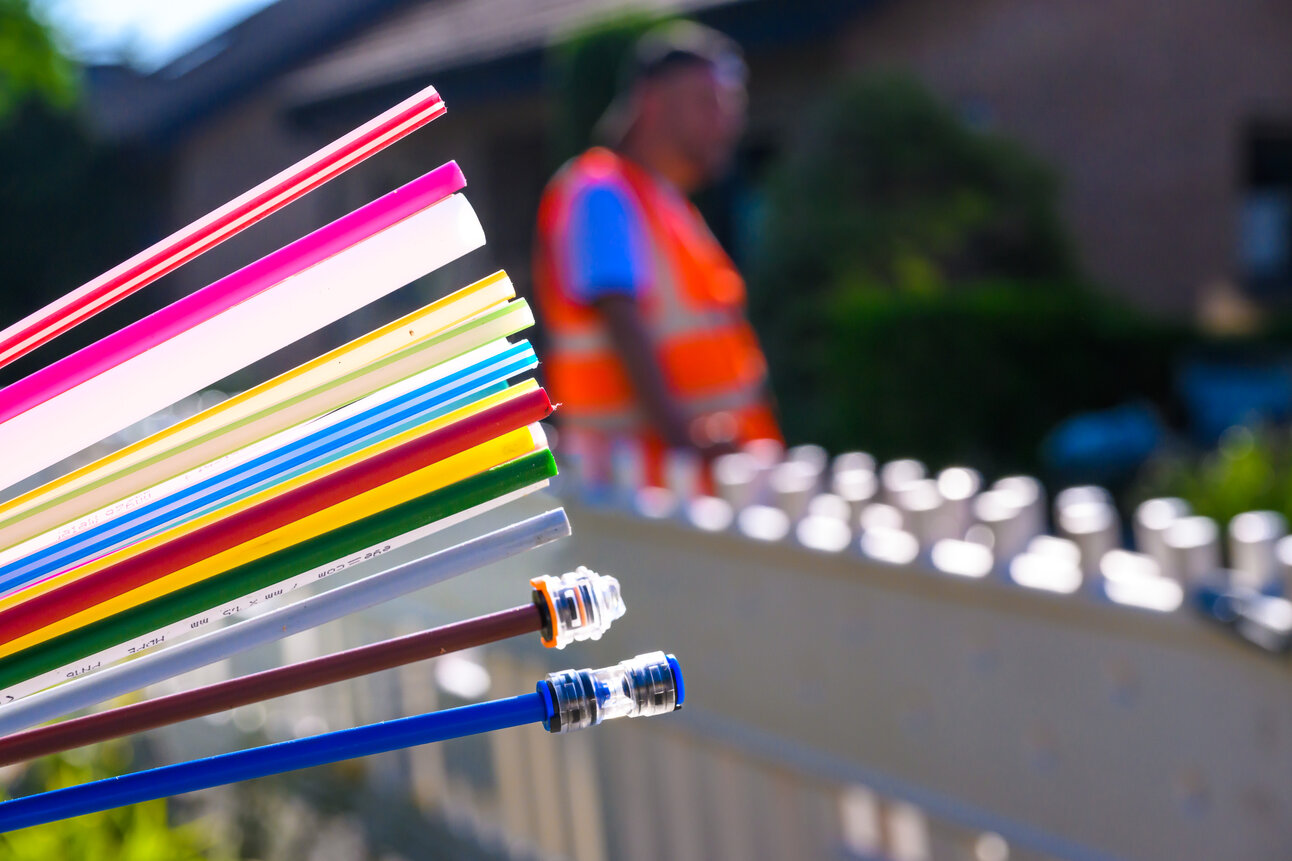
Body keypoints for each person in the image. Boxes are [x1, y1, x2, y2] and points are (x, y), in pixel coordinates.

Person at [533, 21, 782, 488]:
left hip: (687, 492)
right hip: (650, 494)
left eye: (731, 108)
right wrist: (684, 442)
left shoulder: (660, 199)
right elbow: (621, 320)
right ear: (651, 102)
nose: (726, 123)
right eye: (707, 104)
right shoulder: (601, 191)